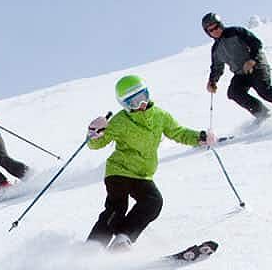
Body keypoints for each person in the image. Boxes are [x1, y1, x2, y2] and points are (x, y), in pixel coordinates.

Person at [85, 75, 211, 248]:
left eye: (142, 97)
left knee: (153, 202)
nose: (140, 104)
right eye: (133, 102)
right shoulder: (120, 121)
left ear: (147, 94)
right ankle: (93, 246)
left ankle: (123, 238)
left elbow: (178, 132)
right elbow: (97, 144)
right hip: (119, 171)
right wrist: (94, 132)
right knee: (117, 208)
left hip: (143, 175)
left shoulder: (160, 116)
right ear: (124, 105)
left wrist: (199, 137)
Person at [203, 13, 272, 120]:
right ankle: (265, 115)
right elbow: (216, 67)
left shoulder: (236, 32)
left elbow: (256, 43)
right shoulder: (216, 49)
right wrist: (212, 81)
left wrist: (252, 60)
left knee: (264, 91)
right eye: (211, 30)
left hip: (257, 66)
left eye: (216, 27)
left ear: (221, 24)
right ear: (208, 33)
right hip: (241, 74)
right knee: (234, 92)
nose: (215, 31)